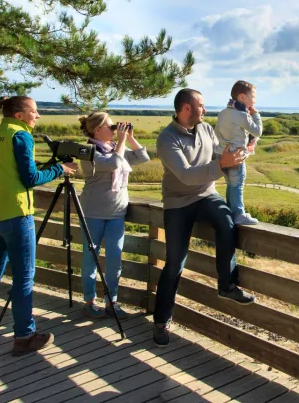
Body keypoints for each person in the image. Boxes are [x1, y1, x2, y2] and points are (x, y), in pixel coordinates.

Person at [0, 96, 77, 357]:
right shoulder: (20, 136)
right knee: (23, 278)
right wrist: (59, 169)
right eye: (34, 111)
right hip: (16, 214)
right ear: (19, 115)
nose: (38, 116)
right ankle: (24, 336)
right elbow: (30, 178)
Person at [152, 88, 255, 347]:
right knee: (175, 263)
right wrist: (221, 164)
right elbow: (186, 175)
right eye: (201, 106)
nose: (205, 110)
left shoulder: (207, 130)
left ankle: (227, 285)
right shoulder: (167, 139)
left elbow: (217, 157)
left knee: (226, 221)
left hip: (206, 194)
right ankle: (161, 321)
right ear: (186, 108)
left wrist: (236, 154)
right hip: (178, 202)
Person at [78, 112, 150, 320]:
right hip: (93, 212)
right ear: (97, 129)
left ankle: (112, 301)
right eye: (110, 127)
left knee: (114, 259)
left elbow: (143, 156)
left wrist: (129, 137)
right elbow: (113, 164)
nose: (113, 130)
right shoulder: (89, 151)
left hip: (117, 212)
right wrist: (120, 141)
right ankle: (90, 301)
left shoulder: (114, 148)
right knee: (90, 257)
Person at [214, 80, 263, 226]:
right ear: (242, 97)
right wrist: (256, 115)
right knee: (237, 185)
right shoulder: (241, 115)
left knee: (230, 184)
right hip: (236, 156)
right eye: (253, 96)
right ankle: (239, 213)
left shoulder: (223, 112)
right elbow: (257, 131)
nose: (254, 100)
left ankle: (230, 211)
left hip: (222, 154)